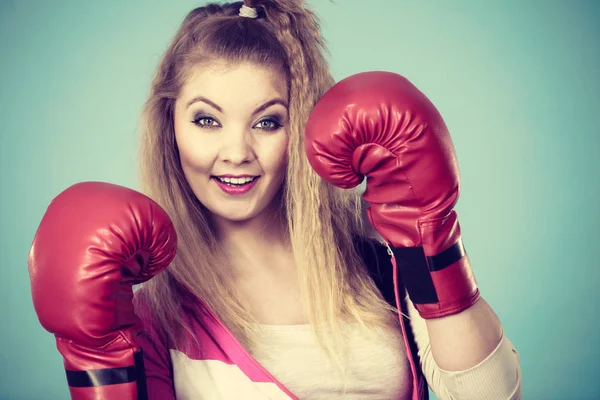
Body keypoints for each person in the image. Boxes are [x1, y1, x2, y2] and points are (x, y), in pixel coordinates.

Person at [28, 1, 522, 399]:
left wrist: (430, 236)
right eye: (206, 120)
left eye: (268, 122)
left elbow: (493, 395)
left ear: (303, 128)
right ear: (170, 127)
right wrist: (97, 367)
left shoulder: (383, 260)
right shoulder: (154, 313)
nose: (237, 153)